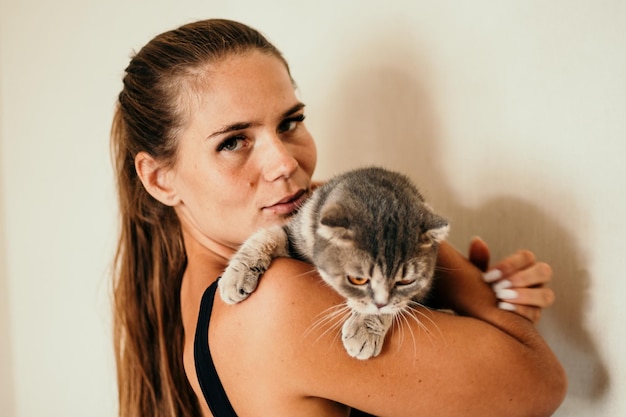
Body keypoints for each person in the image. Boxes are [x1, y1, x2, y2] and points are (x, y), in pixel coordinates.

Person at [111, 19, 566, 417]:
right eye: (233, 142)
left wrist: (468, 289)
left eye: (289, 123)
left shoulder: (201, 298)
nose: (284, 163)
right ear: (159, 179)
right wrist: (478, 296)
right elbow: (540, 382)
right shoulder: (279, 300)